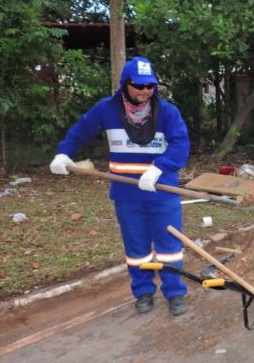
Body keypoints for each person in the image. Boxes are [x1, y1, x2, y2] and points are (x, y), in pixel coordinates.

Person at [49, 56, 191, 316]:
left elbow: (181, 145)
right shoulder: (107, 109)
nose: (145, 91)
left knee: (169, 248)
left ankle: (175, 292)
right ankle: (144, 291)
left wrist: (159, 168)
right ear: (125, 84)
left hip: (162, 192)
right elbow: (80, 130)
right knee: (136, 249)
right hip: (127, 195)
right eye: (139, 85)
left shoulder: (168, 112)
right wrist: (64, 153)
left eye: (150, 86)